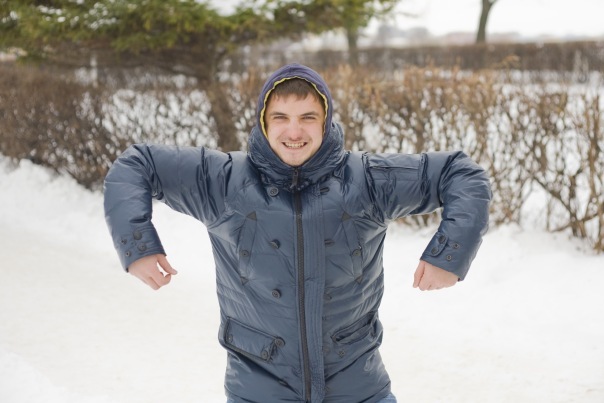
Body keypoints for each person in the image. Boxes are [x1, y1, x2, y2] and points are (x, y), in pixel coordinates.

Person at [104, 63, 491, 403]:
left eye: (308, 117)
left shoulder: (368, 182)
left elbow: (460, 173)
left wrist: (448, 254)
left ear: (326, 121)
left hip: (358, 388)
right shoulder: (223, 182)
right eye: (280, 117)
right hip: (258, 391)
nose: (294, 131)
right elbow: (137, 164)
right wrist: (138, 246)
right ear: (263, 122)